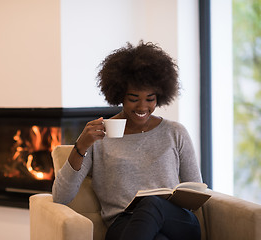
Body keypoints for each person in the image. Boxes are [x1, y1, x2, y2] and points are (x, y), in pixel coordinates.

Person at [52, 40, 202, 240]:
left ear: (160, 95)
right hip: (124, 225)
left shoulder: (175, 132)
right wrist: (81, 145)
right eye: (134, 98)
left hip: (177, 222)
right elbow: (61, 196)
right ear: (119, 94)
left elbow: (196, 191)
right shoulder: (99, 136)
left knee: (151, 204)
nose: (142, 107)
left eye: (150, 99)